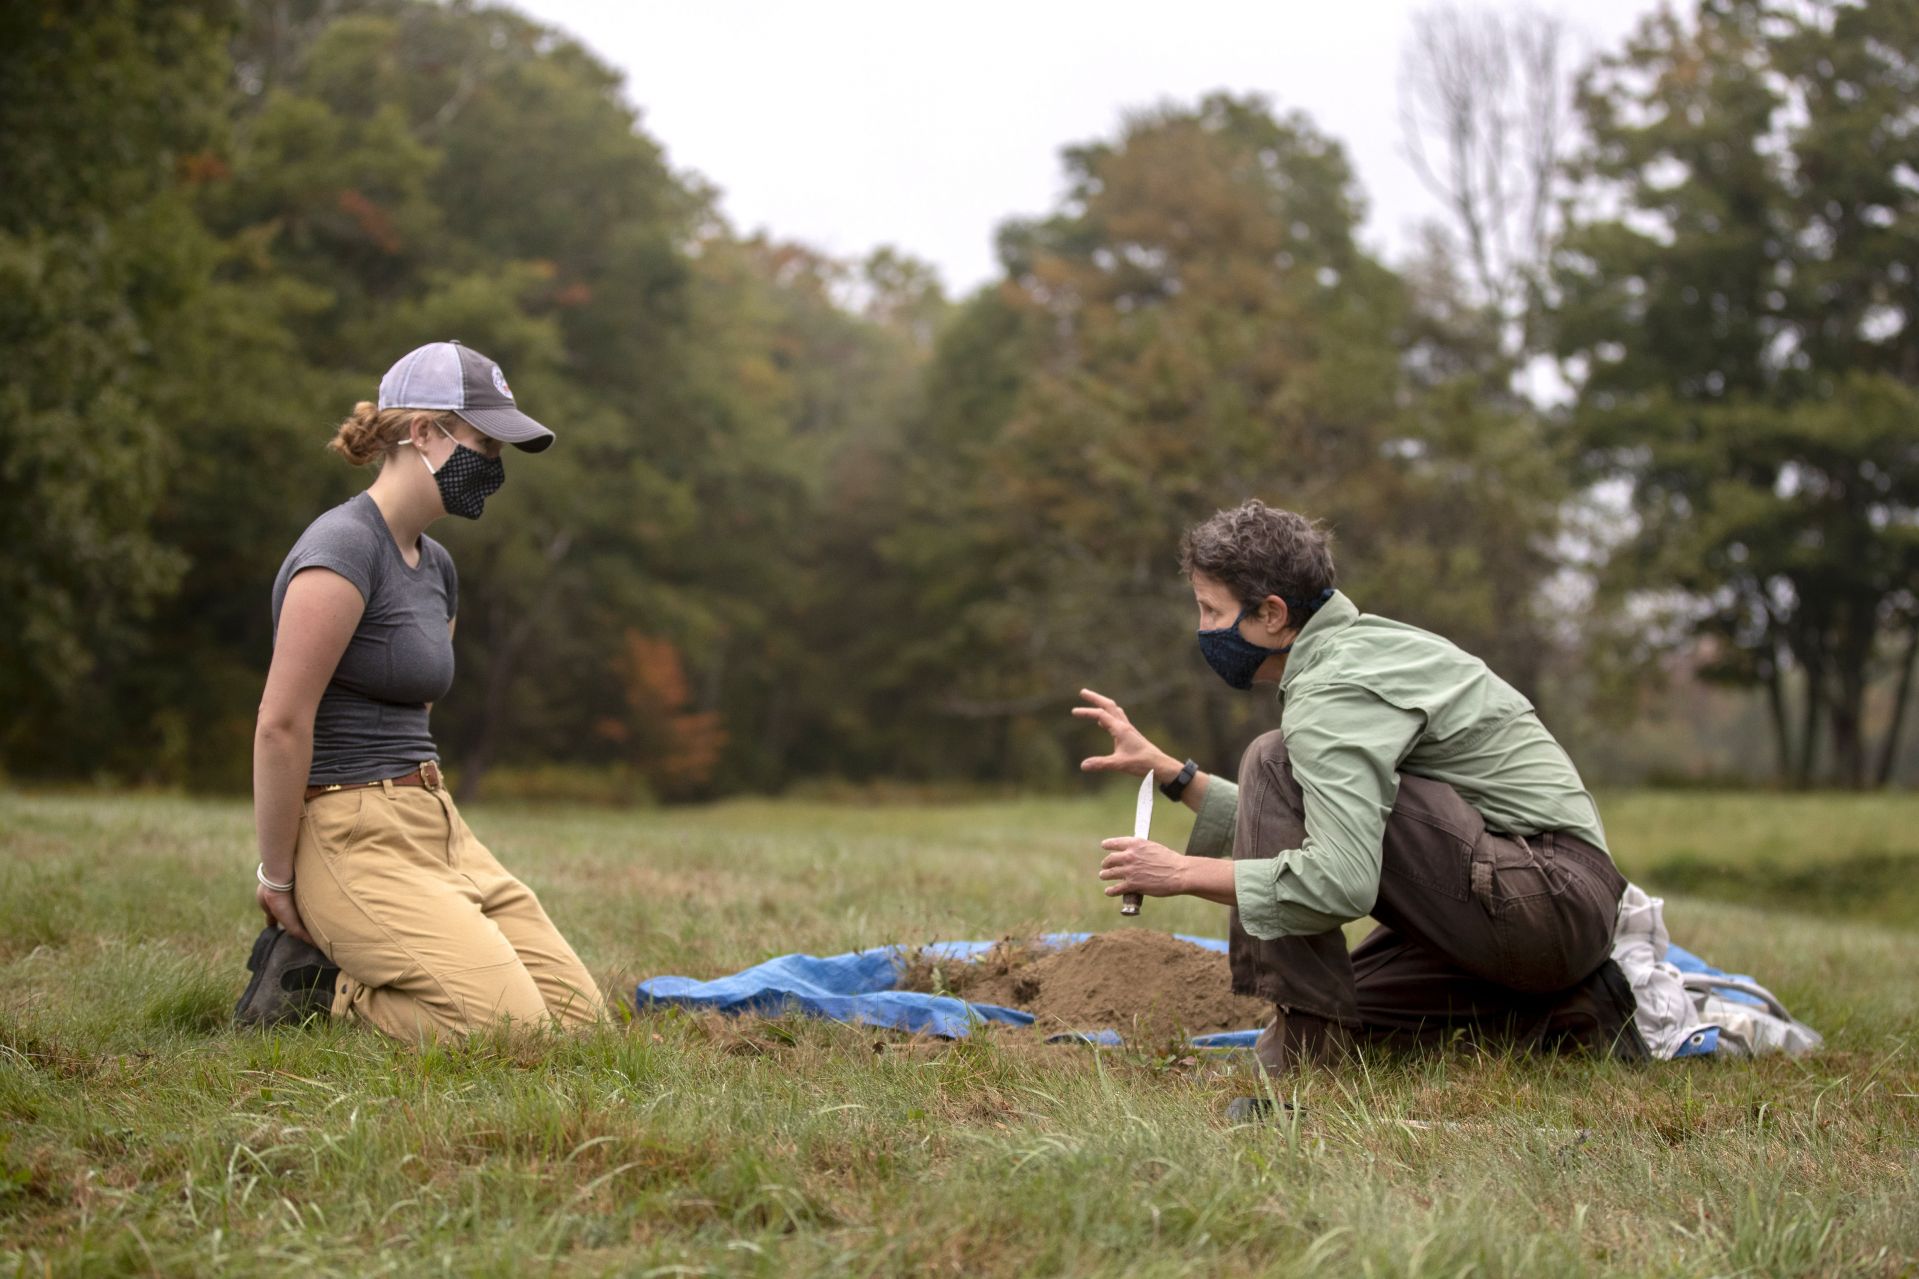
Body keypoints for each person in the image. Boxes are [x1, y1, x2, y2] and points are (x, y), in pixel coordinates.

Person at [1077, 500, 1643, 1087]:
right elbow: (1316, 811)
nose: (1202, 629)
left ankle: (1303, 1049)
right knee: (1356, 1013)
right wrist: (1174, 774)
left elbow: (1340, 878)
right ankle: (1575, 1008)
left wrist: (1181, 873)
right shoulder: (1361, 649)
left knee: (1272, 758)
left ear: (1271, 613)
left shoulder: (1334, 689)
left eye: (1210, 610)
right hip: (1556, 908)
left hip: (1546, 897)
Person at [233, 340, 606, 1040]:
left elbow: (416, 707)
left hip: (435, 823)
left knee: (583, 1026)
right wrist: (279, 880)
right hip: (348, 834)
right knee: (514, 1032)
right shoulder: (341, 550)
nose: (492, 468)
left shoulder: (437, 567)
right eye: (484, 445)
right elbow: (281, 723)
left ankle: (403, 969)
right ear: (425, 433)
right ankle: (334, 990)